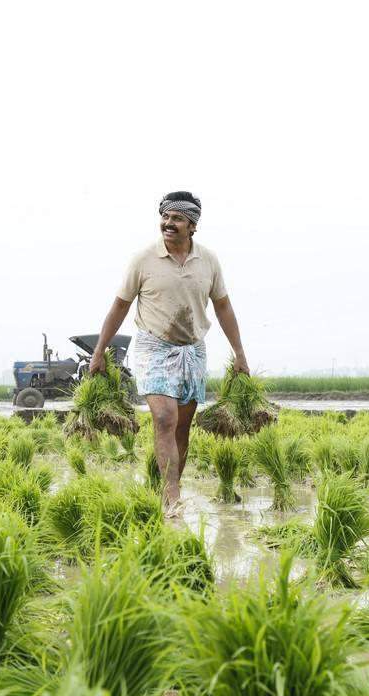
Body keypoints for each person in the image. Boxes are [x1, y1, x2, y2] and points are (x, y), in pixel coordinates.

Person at [88, 191, 249, 515]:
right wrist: (99, 351)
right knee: (164, 417)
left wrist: (240, 353)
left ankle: (169, 485)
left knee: (181, 427)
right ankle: (172, 495)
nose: (168, 223)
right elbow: (120, 305)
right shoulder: (143, 259)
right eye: (165, 217)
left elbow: (223, 307)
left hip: (192, 348)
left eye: (176, 218)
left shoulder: (209, 261)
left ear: (192, 225)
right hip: (153, 345)